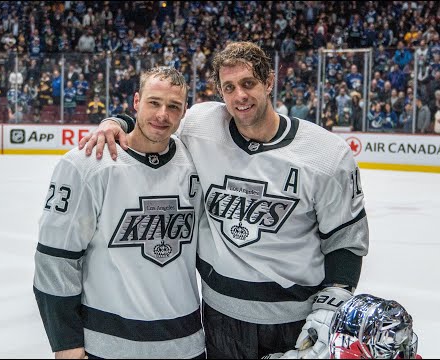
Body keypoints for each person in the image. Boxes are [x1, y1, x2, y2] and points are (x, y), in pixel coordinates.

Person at [79, 41, 369, 359]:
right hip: (219, 318)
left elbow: (345, 241)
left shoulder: (325, 154)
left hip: (295, 322)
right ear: (220, 91)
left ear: (269, 82)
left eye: (248, 84)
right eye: (229, 87)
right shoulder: (203, 125)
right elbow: (159, 119)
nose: (239, 96)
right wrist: (115, 122)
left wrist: (332, 305)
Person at [33, 67, 206, 359]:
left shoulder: (195, 161)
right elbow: (55, 260)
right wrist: (65, 342)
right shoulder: (86, 164)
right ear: (136, 101)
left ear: (184, 111)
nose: (163, 114)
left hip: (186, 344)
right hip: (108, 345)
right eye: (154, 102)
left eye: (173, 106)